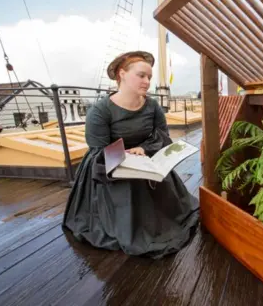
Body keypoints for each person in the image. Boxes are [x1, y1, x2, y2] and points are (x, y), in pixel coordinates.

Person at [63, 51, 199, 259]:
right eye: (141, 75)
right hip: (111, 166)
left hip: (146, 159)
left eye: (149, 77)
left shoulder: (152, 106)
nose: (147, 81)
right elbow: (98, 151)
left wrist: (144, 149)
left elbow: (162, 136)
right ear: (122, 74)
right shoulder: (100, 111)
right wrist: (127, 156)